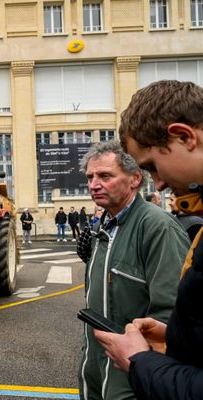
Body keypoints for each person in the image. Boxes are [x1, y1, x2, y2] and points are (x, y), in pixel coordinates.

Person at [93, 80, 203, 399]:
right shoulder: (104, 226)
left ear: (184, 136)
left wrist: (141, 362)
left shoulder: (158, 225)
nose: (162, 183)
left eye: (153, 166)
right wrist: (175, 337)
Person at [77, 140, 190, 400]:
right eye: (90, 176)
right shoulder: (101, 225)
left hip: (131, 377)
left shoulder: (158, 227)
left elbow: (170, 314)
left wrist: (143, 368)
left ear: (135, 179)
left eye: (105, 176)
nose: (94, 184)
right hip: (95, 369)